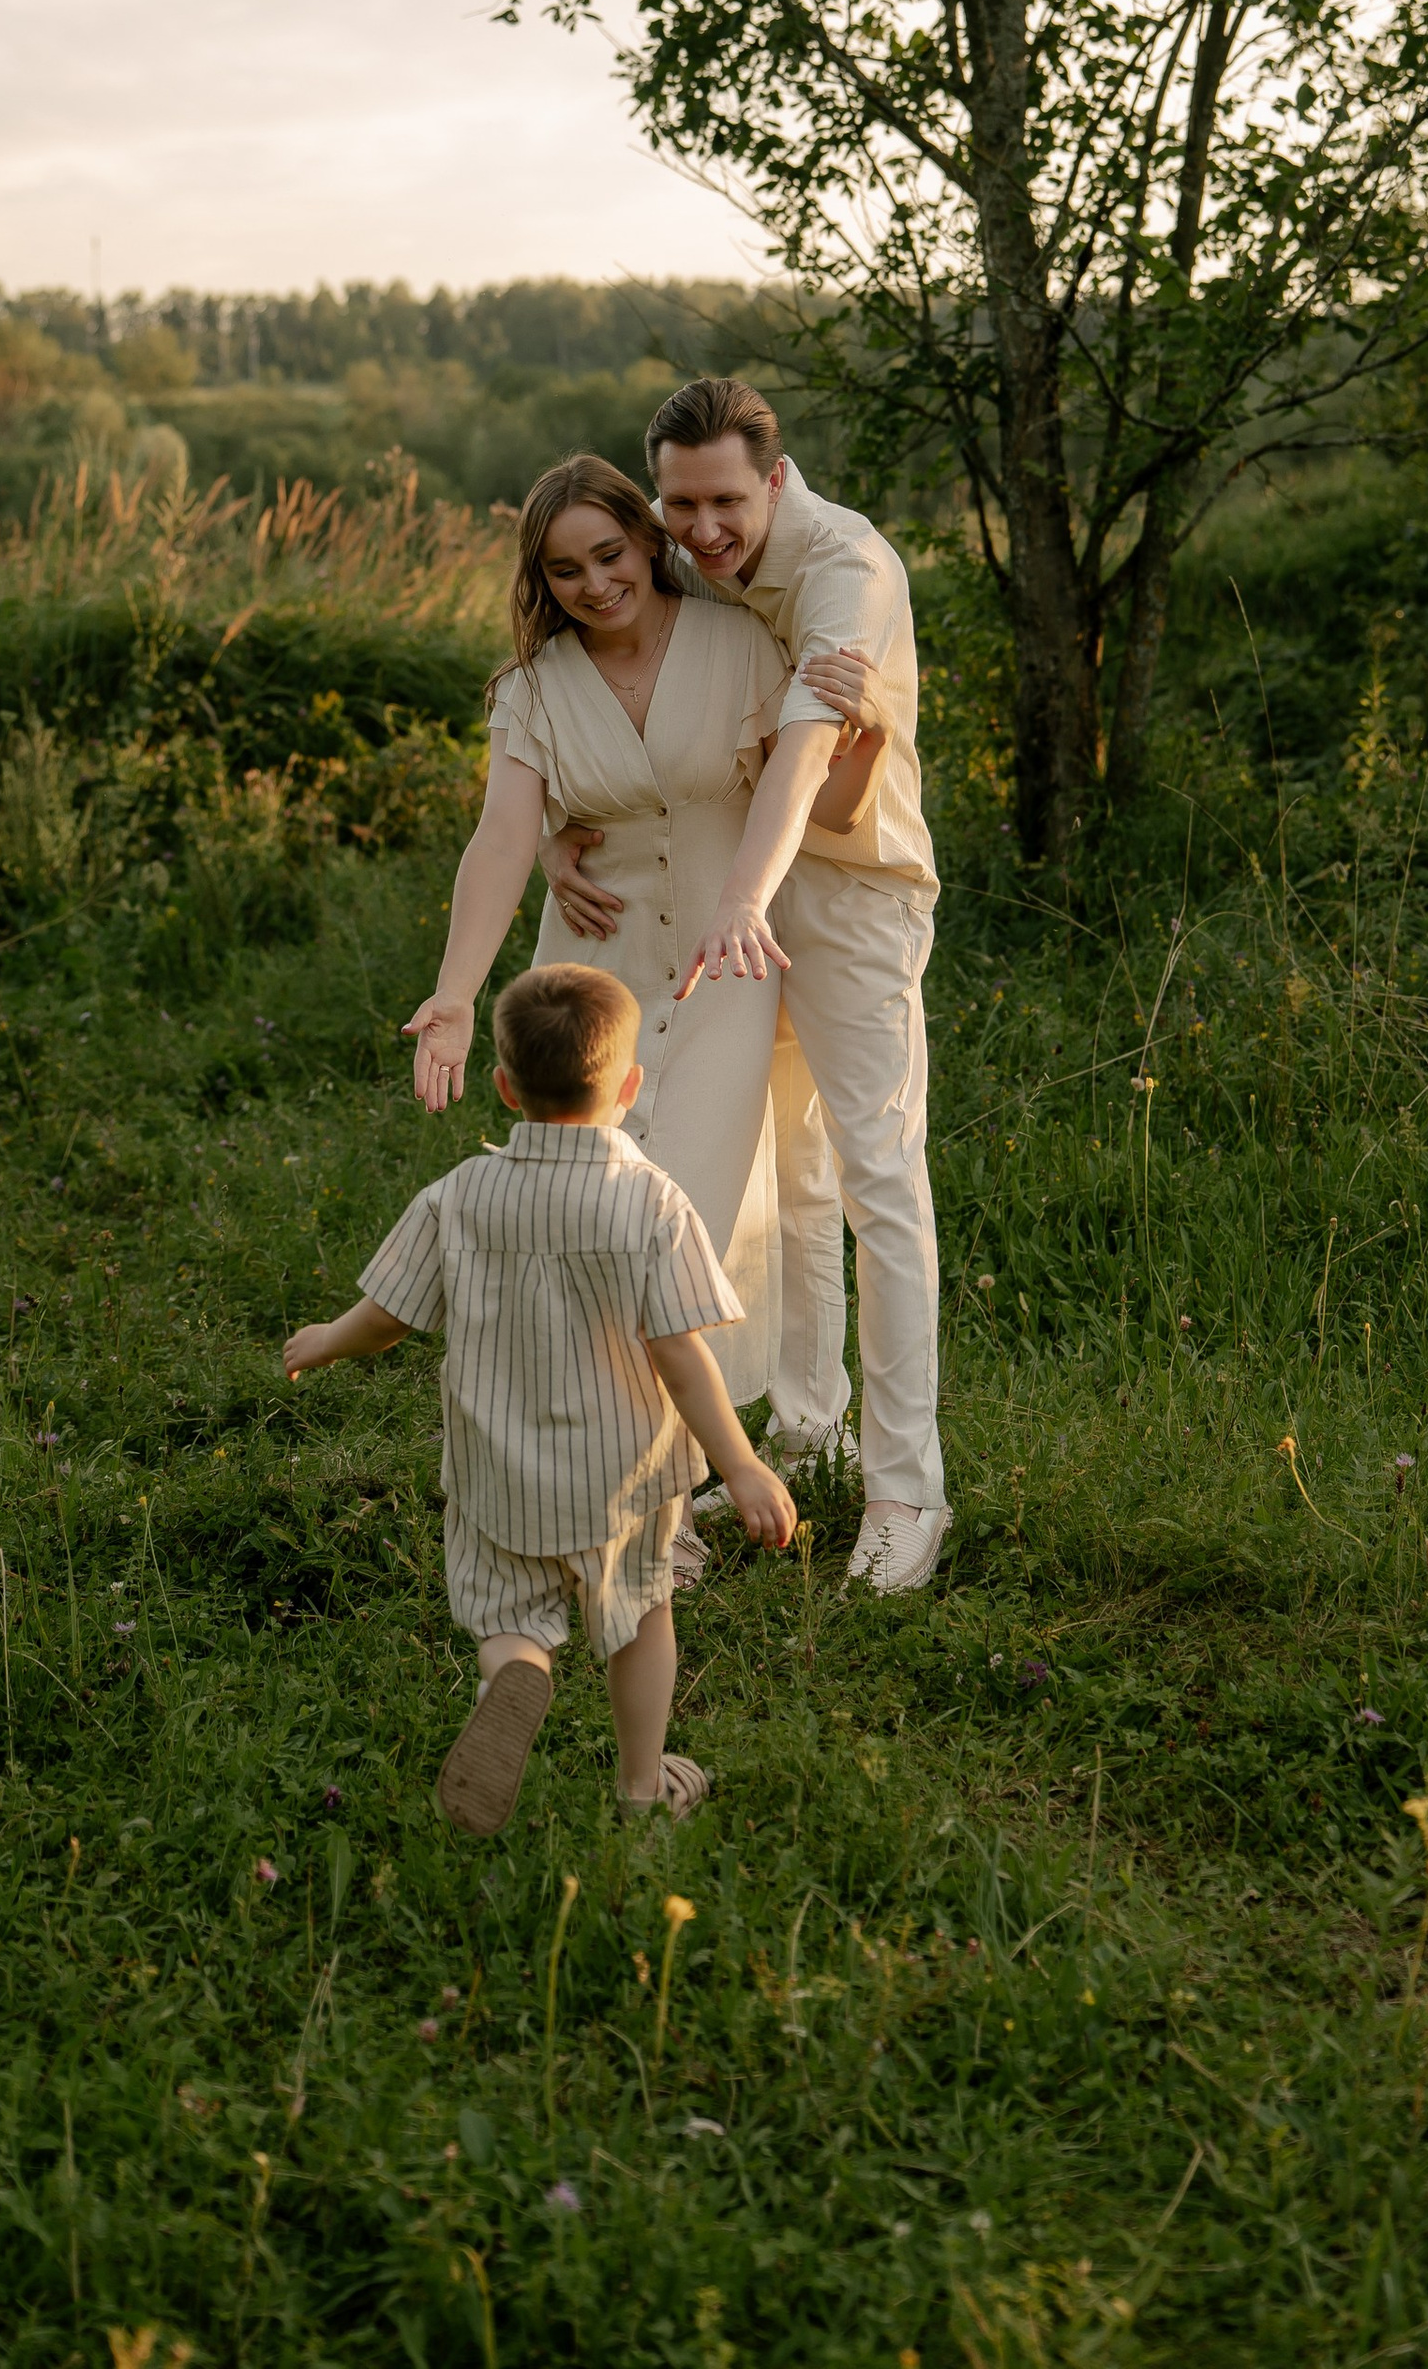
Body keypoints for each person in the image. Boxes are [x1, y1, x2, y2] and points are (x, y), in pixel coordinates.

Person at [402, 453, 883, 1513]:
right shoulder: (532, 693)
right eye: (563, 569)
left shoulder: (741, 645)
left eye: (609, 554)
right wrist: (454, 994)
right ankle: (601, 1477)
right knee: (579, 1227)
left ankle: (664, 1493)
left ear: (648, 538)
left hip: (725, 975)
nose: (592, 583)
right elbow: (498, 841)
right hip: (591, 985)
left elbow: (832, 811)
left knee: (686, 1232)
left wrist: (863, 730)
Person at [544, 379, 949, 1595]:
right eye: (679, 502)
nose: (702, 528)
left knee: (878, 1177)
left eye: (724, 499)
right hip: (736, 888)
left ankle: (905, 1490)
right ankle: (804, 1434)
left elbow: (811, 754)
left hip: (847, 895)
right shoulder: (691, 559)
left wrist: (743, 902)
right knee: (793, 1172)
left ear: (774, 479)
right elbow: (613, 683)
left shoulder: (847, 575)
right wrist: (567, 824)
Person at [282, 961, 795, 1831]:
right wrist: (739, 1465)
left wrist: (326, 1340)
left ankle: (516, 1667)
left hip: (499, 1476)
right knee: (640, 1613)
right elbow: (682, 1353)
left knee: (507, 1607)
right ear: (629, 1087)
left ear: (504, 1088)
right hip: (624, 1481)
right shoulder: (652, 1205)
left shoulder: (460, 1199)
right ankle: (642, 1785)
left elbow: (388, 1318)